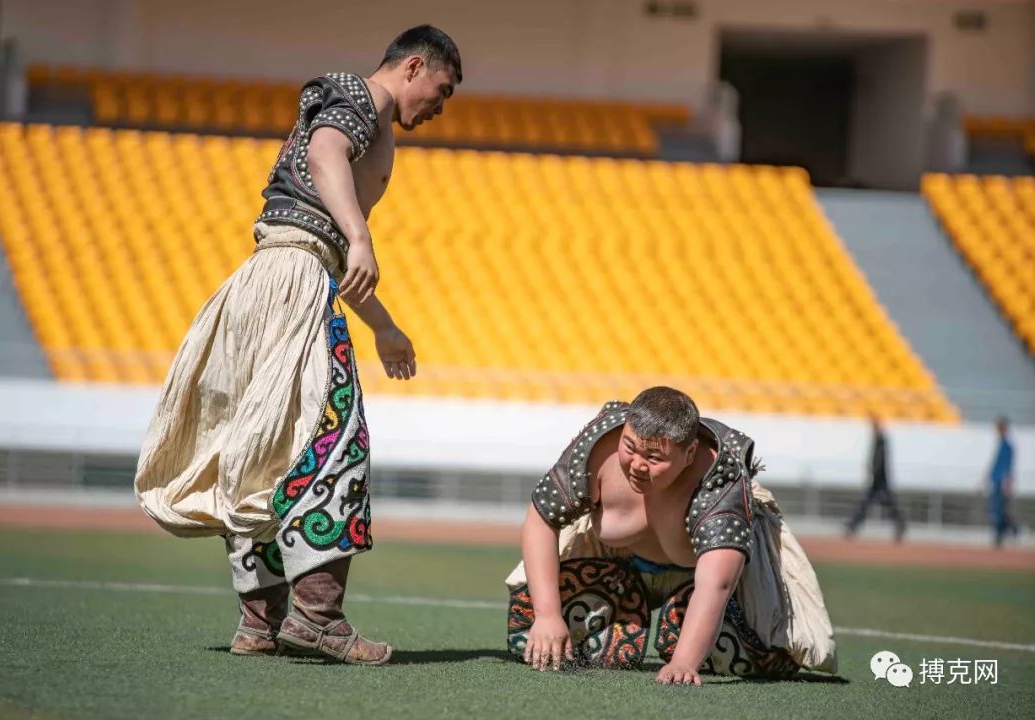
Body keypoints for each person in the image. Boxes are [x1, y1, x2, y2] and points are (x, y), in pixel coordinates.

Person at [134, 25, 462, 665]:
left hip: (272, 278)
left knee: (259, 447)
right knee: (331, 439)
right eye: (441, 91)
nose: (440, 107)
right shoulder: (358, 97)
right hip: (294, 283)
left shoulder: (369, 120)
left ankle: (259, 622)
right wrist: (362, 236)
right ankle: (317, 619)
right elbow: (325, 152)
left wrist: (385, 327)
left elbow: (322, 241)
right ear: (415, 66)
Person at [505, 387, 837, 684]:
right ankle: (624, 607)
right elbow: (541, 518)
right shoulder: (598, 446)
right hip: (616, 569)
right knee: (531, 632)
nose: (637, 465)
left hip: (706, 583)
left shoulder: (720, 480)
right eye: (630, 447)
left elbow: (717, 583)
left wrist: (684, 662)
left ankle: (694, 626)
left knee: (742, 656)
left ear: (689, 453)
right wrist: (548, 615)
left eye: (654, 457)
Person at [844, 416, 906, 542]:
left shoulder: (881, 440)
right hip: (877, 480)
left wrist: (874, 471)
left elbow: (880, 460)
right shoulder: (877, 439)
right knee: (867, 504)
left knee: (884, 504)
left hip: (880, 480)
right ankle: (853, 526)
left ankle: (900, 525)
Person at [988, 416, 1019, 547]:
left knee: (1000, 510)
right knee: (997, 510)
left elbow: (1007, 465)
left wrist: (1007, 481)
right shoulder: (1001, 444)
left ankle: (1009, 531)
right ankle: (1005, 533)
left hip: (1002, 482)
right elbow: (996, 464)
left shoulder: (1007, 446)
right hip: (996, 481)